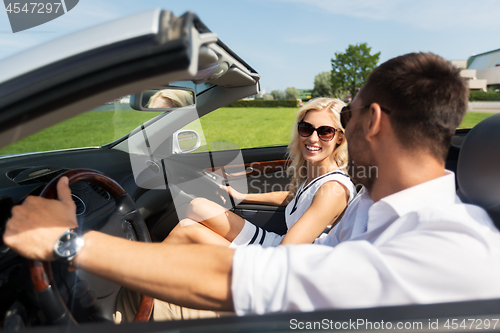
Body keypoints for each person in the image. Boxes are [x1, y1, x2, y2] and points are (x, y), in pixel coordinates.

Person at [5, 52, 500, 319]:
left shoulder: (444, 247)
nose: (328, 133)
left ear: (370, 120)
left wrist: (66, 241)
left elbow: (262, 280)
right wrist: (241, 197)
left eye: (342, 118)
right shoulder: (380, 203)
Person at [164, 98, 356, 249]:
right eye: (306, 128)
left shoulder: (332, 189)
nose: (313, 138)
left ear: (339, 138)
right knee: (197, 205)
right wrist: (243, 196)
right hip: (276, 243)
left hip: (283, 262)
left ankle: (148, 296)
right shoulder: (316, 176)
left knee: (185, 230)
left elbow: (284, 253)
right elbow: (295, 197)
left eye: (325, 132)